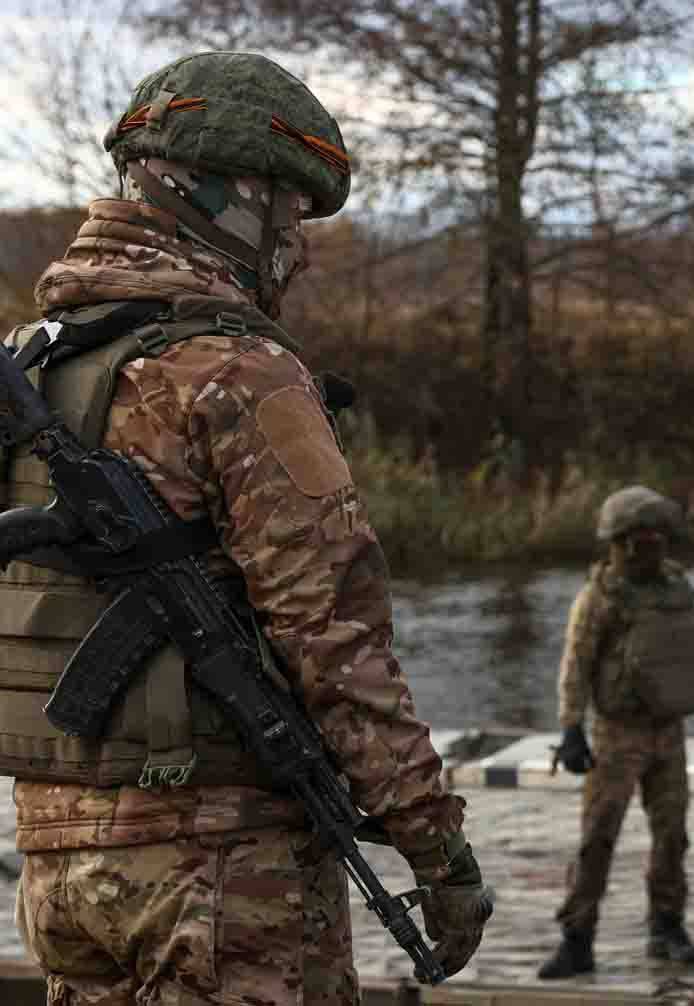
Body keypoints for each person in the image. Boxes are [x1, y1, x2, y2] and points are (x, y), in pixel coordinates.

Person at [1, 52, 490, 1005]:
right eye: (293, 215)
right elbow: (336, 639)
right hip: (223, 870)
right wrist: (437, 847)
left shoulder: (30, 368)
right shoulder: (238, 371)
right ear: (234, 198)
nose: (298, 248)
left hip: (59, 866)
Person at [538, 486, 694, 979]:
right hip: (616, 735)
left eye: (656, 536)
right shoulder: (599, 598)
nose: (650, 546)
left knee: (672, 837)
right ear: (618, 542)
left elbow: (692, 655)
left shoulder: (674, 587)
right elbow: (575, 665)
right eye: (639, 538)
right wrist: (571, 728)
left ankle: (667, 928)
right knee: (597, 838)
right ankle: (576, 938)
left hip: (668, 731)